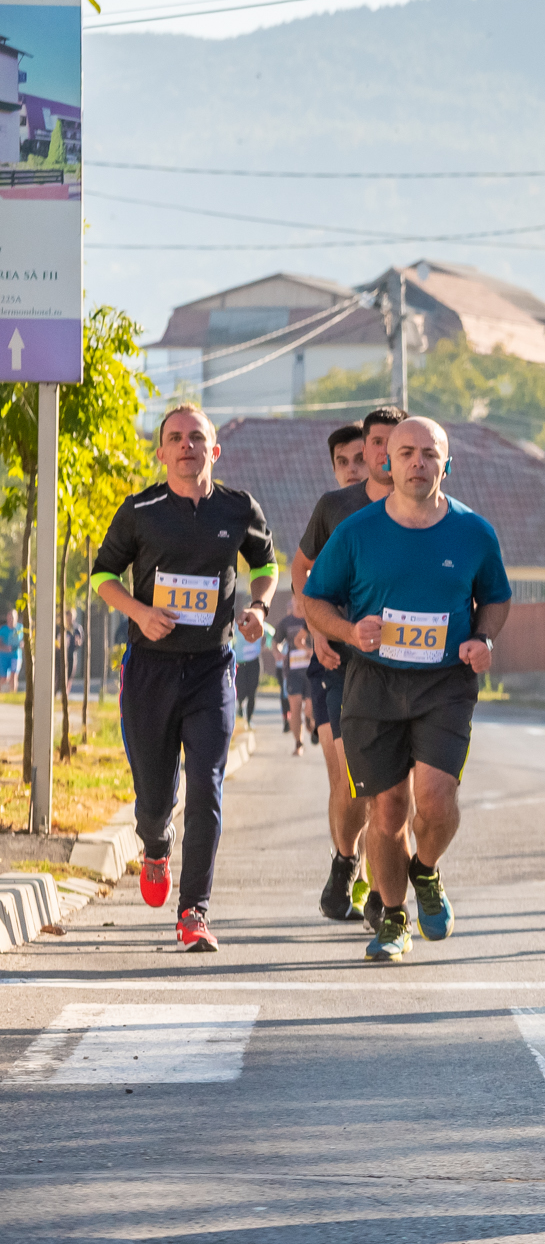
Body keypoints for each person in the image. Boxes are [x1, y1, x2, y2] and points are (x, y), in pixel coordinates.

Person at [301, 417, 511, 962]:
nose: (418, 462)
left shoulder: (474, 532)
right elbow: (314, 598)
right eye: (407, 452)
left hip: (445, 682)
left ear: (447, 463)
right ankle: (394, 920)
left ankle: (426, 870)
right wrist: (348, 632)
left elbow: (495, 596)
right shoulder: (357, 531)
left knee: (436, 801)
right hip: (373, 682)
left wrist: (484, 636)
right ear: (387, 463)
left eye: (430, 453)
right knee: (389, 810)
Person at [89, 403, 279, 954]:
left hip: (211, 667)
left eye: (197, 438)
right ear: (162, 452)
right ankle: (155, 842)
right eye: (176, 438)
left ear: (213, 450)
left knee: (207, 789)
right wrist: (139, 612)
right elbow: (103, 573)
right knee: (154, 794)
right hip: (149, 668)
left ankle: (194, 911)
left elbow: (264, 564)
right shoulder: (141, 509)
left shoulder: (239, 508)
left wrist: (259, 609)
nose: (187, 446)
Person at [294, 412, 396, 924]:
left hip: (395, 665)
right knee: (352, 780)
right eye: (346, 461)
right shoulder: (334, 509)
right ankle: (346, 860)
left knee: (388, 789)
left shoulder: (415, 503)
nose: (358, 467)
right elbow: (300, 568)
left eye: (366, 455)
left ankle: (380, 891)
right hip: (337, 660)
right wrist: (318, 628)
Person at [229, 604, 271, 726]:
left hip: (254, 661)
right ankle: (240, 706)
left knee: (252, 691)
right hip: (240, 662)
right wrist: (232, 651)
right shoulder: (237, 627)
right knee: (241, 689)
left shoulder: (259, 625)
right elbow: (230, 638)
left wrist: (266, 646)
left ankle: (249, 719)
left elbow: (271, 632)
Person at [284, 626, 313, 756]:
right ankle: (298, 744)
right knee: (295, 708)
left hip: (312, 673)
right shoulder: (287, 622)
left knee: (309, 709)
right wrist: (307, 650)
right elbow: (297, 640)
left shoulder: (319, 613)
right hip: (294, 673)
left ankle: (310, 721)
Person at [0, 609, 22, 693]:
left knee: (14, 675)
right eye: (9, 617)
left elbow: (25, 640)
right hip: (4, 656)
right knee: (4, 678)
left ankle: (13, 693)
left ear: (16, 618)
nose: (11, 619)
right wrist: (5, 648)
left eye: (12, 617)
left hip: (16, 655)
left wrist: (23, 644)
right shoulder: (3, 630)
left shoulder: (21, 628)